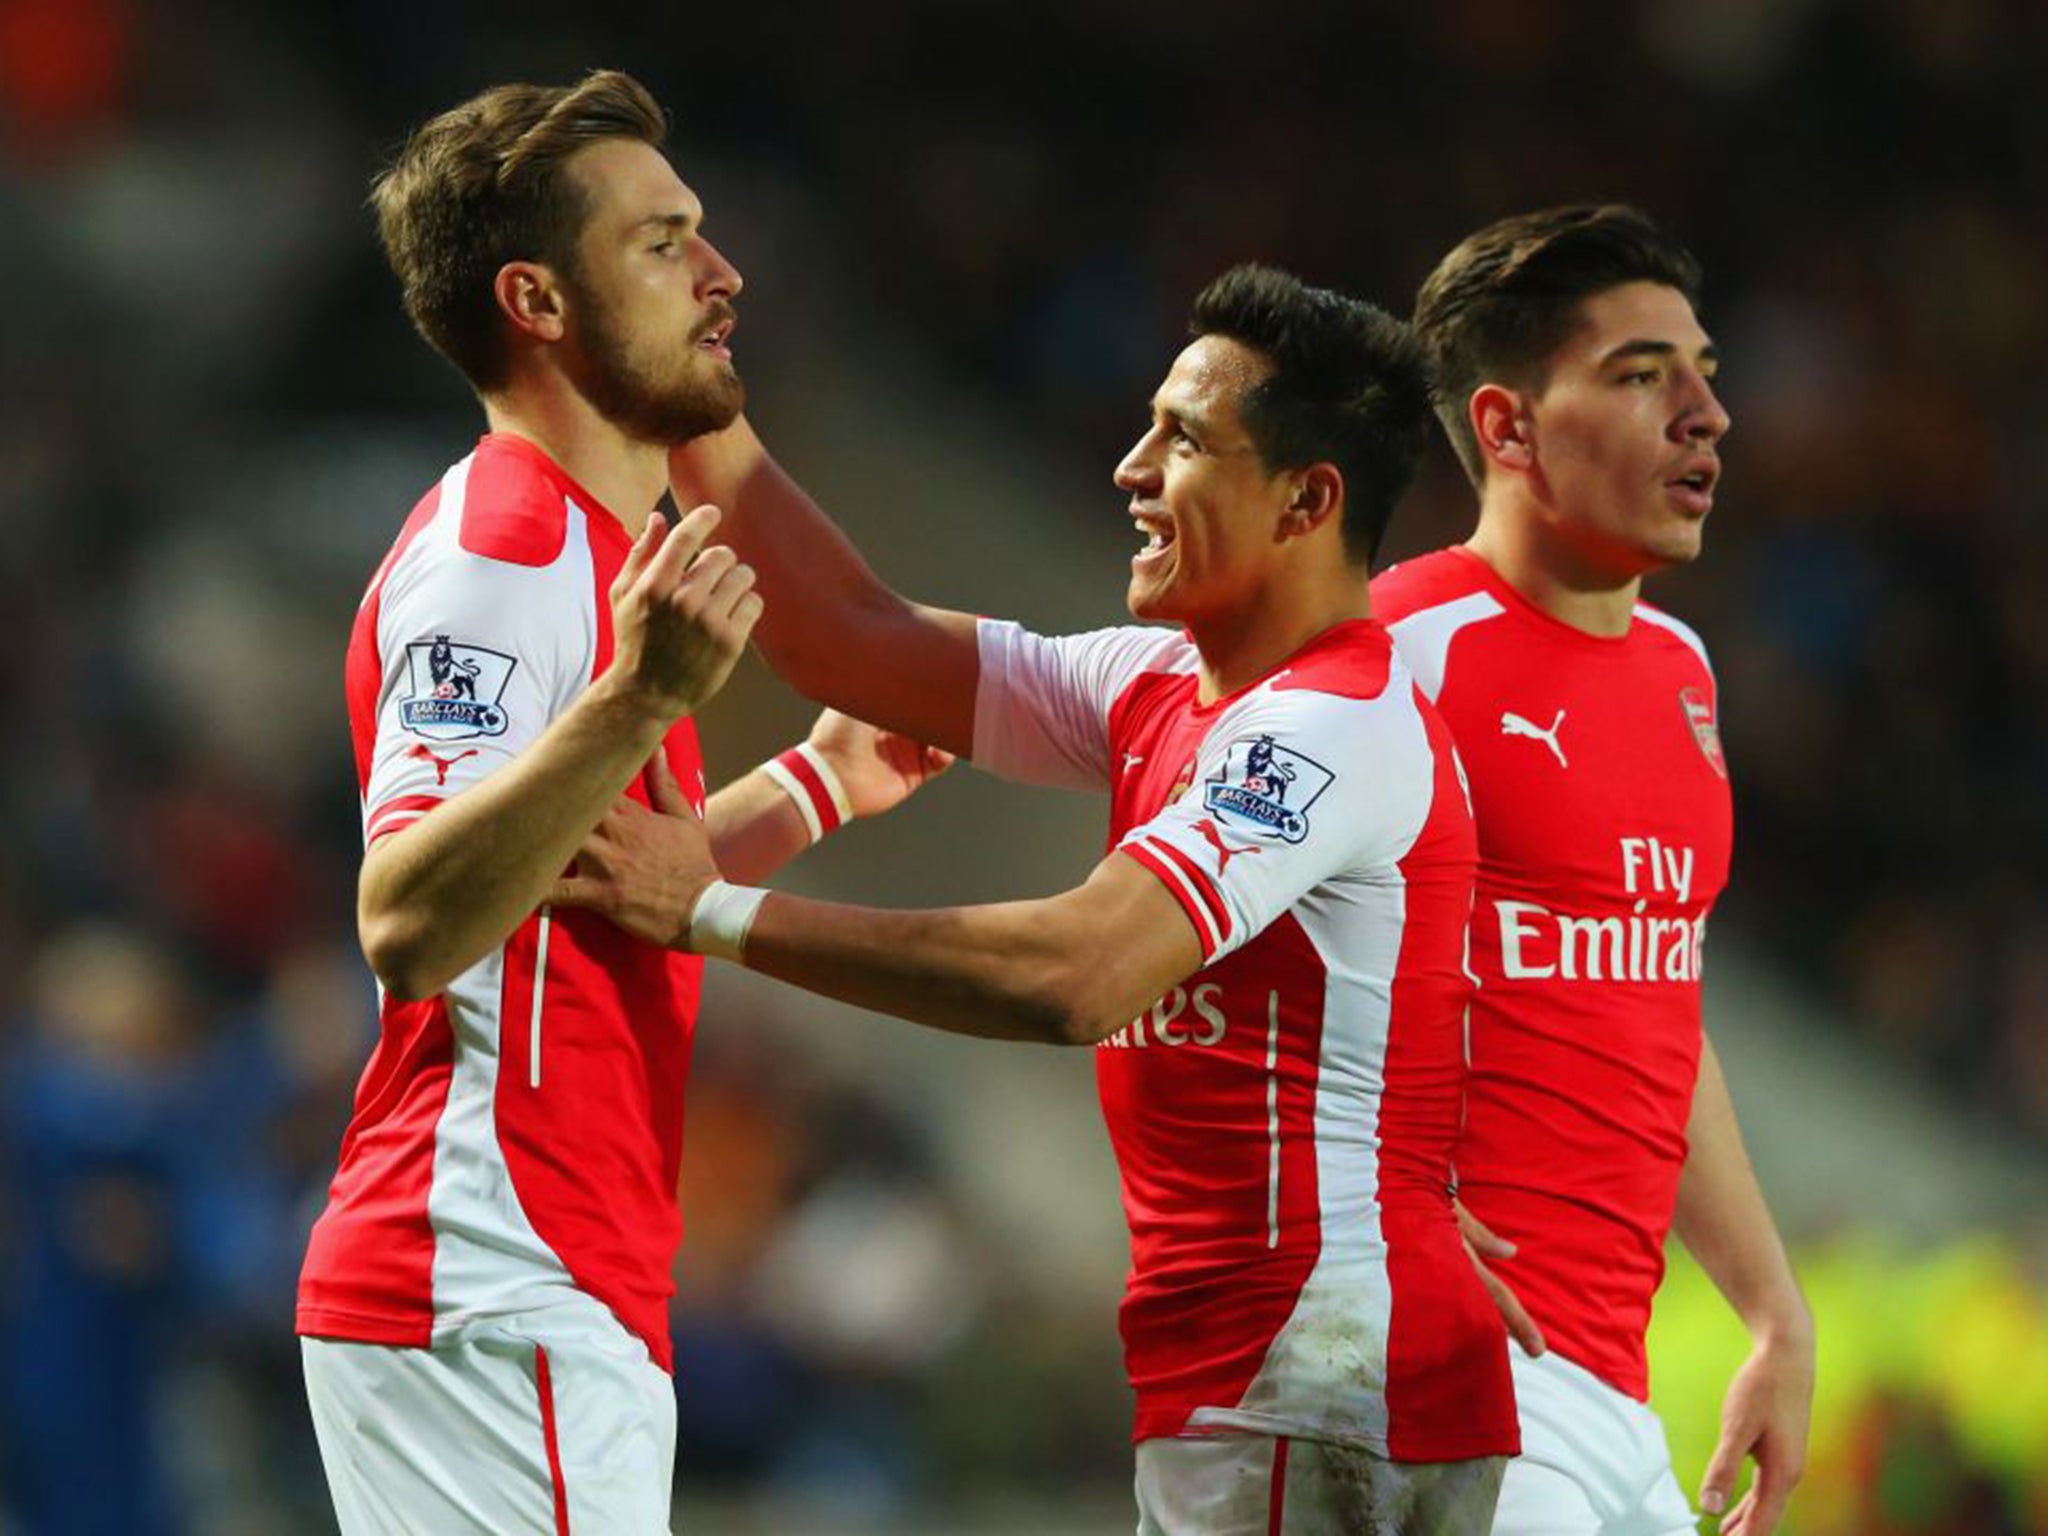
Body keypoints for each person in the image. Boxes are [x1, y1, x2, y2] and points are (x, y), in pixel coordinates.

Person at [553, 265, 1527, 1533]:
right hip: (1264, 1379)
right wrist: (688, 392)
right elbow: (848, 636)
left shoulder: (1329, 728)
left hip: (1323, 1382)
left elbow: (1078, 973)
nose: (1128, 467)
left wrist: (712, 911)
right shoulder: (1158, 687)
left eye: (1180, 440)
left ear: (1306, 499)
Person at [295, 70, 946, 1536]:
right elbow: (408, 918)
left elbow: (588, 883)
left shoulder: (588, 548)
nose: (723, 276)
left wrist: (818, 785)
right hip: (490, 1271)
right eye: (663, 243)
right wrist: (639, 701)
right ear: (536, 298)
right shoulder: (503, 555)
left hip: (543, 1280)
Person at [1370, 204, 1815, 1536]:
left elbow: (1651, 1011)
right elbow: (1200, 960)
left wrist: (1771, 1308)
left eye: (1705, 374)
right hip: (1447, 1381)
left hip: (1614, 1405)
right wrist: (1382, 1218)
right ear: (1506, 427)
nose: (1705, 416)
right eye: (1641, 377)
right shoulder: (1391, 653)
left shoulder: (1683, 673)